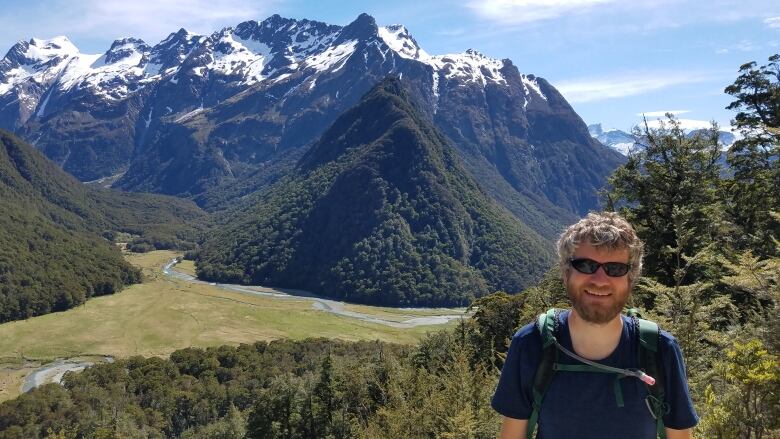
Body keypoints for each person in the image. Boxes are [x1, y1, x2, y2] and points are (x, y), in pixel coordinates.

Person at [491, 212, 698, 439]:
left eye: (616, 268)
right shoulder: (532, 344)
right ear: (565, 272)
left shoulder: (660, 350)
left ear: (632, 277)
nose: (600, 280)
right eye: (586, 265)